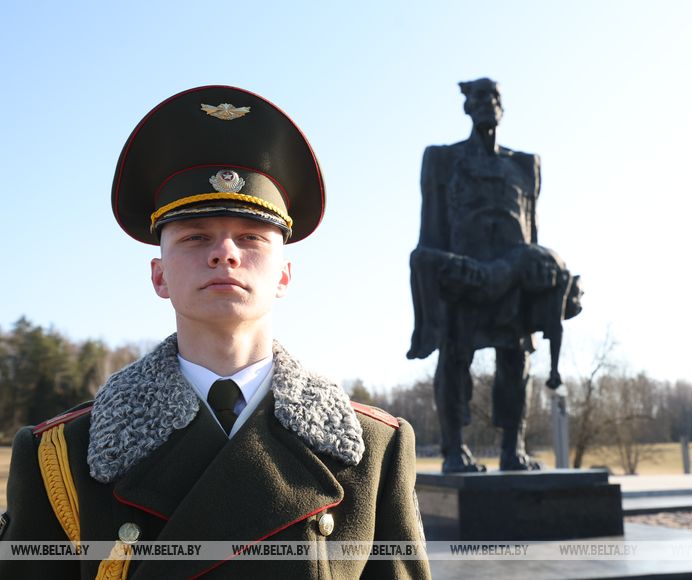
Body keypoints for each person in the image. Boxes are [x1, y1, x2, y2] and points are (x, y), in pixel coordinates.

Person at [0, 85, 430, 579]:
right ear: (159, 275)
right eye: (195, 236)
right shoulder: (64, 453)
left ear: (284, 275)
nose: (224, 252)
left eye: (250, 238)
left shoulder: (374, 449)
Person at [408, 78, 582, 473]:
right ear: (467, 107)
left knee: (515, 361)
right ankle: (454, 450)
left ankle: (512, 449)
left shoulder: (524, 165)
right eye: (479, 97)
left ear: (503, 107)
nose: (488, 103)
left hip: (515, 277)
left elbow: (531, 231)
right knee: (454, 358)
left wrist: (551, 280)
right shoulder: (442, 159)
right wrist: (435, 268)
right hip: (464, 276)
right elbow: (430, 227)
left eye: (494, 97)